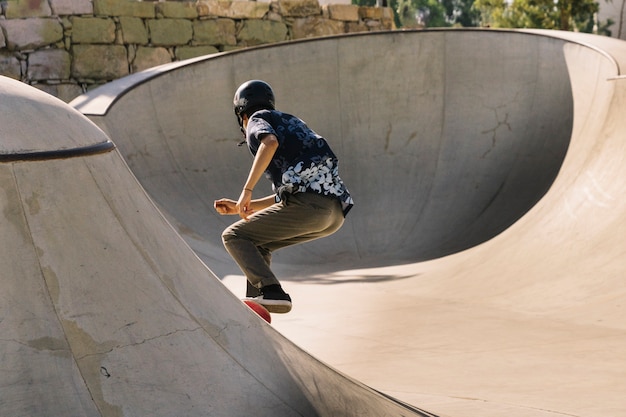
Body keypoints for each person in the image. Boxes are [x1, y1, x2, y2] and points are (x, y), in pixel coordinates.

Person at [214, 80, 354, 313]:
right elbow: (289, 192)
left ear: (241, 113)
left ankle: (272, 292)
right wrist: (243, 206)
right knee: (257, 244)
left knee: (234, 236)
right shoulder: (290, 122)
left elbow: (269, 143)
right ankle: (258, 301)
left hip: (309, 207)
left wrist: (246, 190)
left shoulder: (257, 119)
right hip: (333, 214)